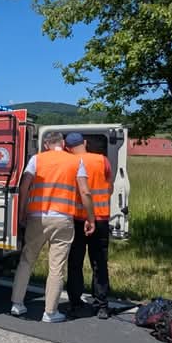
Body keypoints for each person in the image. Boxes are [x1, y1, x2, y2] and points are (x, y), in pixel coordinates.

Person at [10, 131, 96, 323]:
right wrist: (91, 218)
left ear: (46, 144)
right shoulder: (76, 162)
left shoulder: (36, 159)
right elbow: (85, 191)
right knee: (56, 267)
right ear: (63, 143)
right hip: (63, 219)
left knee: (27, 260)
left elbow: (24, 186)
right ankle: (50, 312)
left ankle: (17, 304)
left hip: (37, 218)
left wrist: (22, 211)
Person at [65, 132, 114, 319]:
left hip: (77, 219)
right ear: (85, 143)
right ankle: (101, 305)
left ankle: (75, 303)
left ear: (67, 147)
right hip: (100, 218)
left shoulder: (69, 162)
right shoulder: (102, 160)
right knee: (99, 263)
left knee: (75, 263)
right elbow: (109, 185)